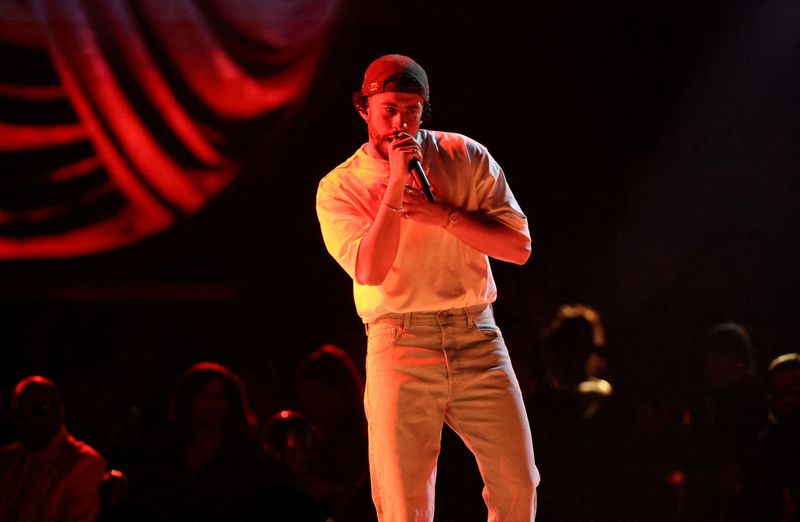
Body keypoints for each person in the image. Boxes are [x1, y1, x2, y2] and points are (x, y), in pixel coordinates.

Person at [316, 53, 540, 521]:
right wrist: (396, 182)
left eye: (413, 110)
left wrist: (444, 217)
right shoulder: (340, 186)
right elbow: (371, 270)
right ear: (364, 109)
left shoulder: (465, 154)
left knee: (518, 481)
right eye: (389, 109)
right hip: (400, 341)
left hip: (476, 335)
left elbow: (517, 248)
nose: (401, 123)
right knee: (402, 499)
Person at [0, 375, 107, 522]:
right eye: (21, 412)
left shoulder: (83, 464)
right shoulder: (6, 459)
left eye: (39, 410)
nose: (29, 419)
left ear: (60, 410)